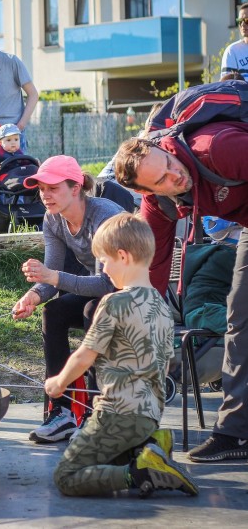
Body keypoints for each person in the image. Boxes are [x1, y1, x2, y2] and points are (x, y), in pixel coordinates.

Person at [113, 122, 248, 462]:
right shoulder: (159, 206)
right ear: (148, 191)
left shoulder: (218, 148)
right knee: (239, 319)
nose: (176, 177)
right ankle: (236, 433)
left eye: (170, 164)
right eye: (161, 181)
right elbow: (152, 272)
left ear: (165, 147)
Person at [49, 214, 198, 498]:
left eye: (104, 262)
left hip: (117, 415)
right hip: (150, 414)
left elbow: (85, 355)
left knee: (66, 476)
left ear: (122, 256)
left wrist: (59, 383)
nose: (103, 270)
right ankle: (147, 444)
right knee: (103, 459)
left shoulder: (114, 303)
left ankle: (141, 472)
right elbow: (165, 365)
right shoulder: (163, 307)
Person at [12, 155, 124, 443]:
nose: (45, 195)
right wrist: (34, 295)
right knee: (54, 312)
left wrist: (51, 278)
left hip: (134, 295)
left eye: (53, 187)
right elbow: (54, 274)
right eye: (41, 189)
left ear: (76, 188)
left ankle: (95, 413)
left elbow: (108, 282)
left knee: (92, 310)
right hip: (102, 292)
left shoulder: (104, 216)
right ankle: (61, 412)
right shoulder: (53, 220)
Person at [220, 3, 248, 79]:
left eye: (246, 20)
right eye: (240, 21)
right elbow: (227, 86)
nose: (242, 24)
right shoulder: (232, 51)